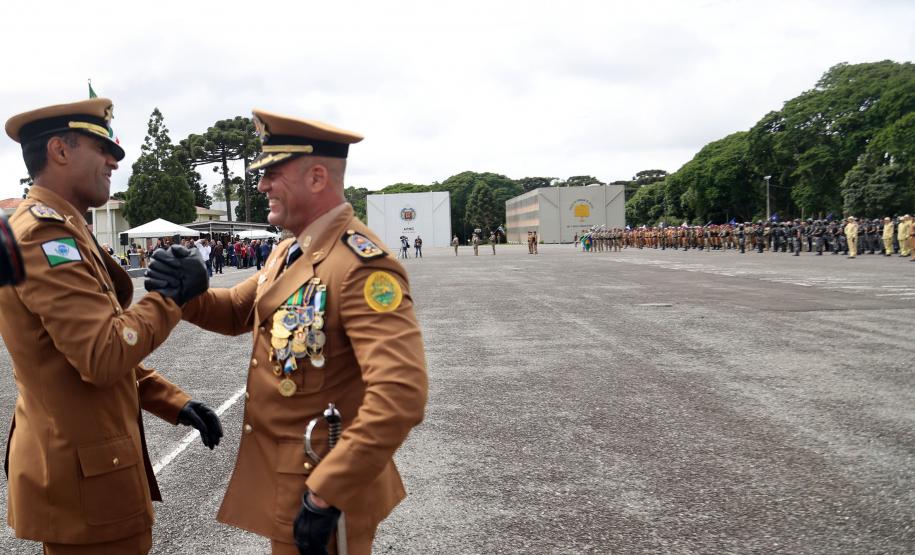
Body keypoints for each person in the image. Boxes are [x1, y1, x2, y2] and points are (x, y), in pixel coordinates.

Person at [146, 109, 428, 555]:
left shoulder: (361, 266)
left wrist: (328, 490)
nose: (261, 185)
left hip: (325, 486)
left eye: (272, 174)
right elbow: (237, 310)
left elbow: (401, 392)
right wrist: (185, 292)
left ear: (317, 178)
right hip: (296, 482)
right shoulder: (288, 251)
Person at [0, 98, 221, 554]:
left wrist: (172, 401)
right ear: (60, 151)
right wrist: (170, 298)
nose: (114, 162)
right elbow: (102, 355)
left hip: (87, 473)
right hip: (86, 485)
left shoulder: (65, 229)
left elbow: (74, 352)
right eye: (103, 149)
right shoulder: (45, 234)